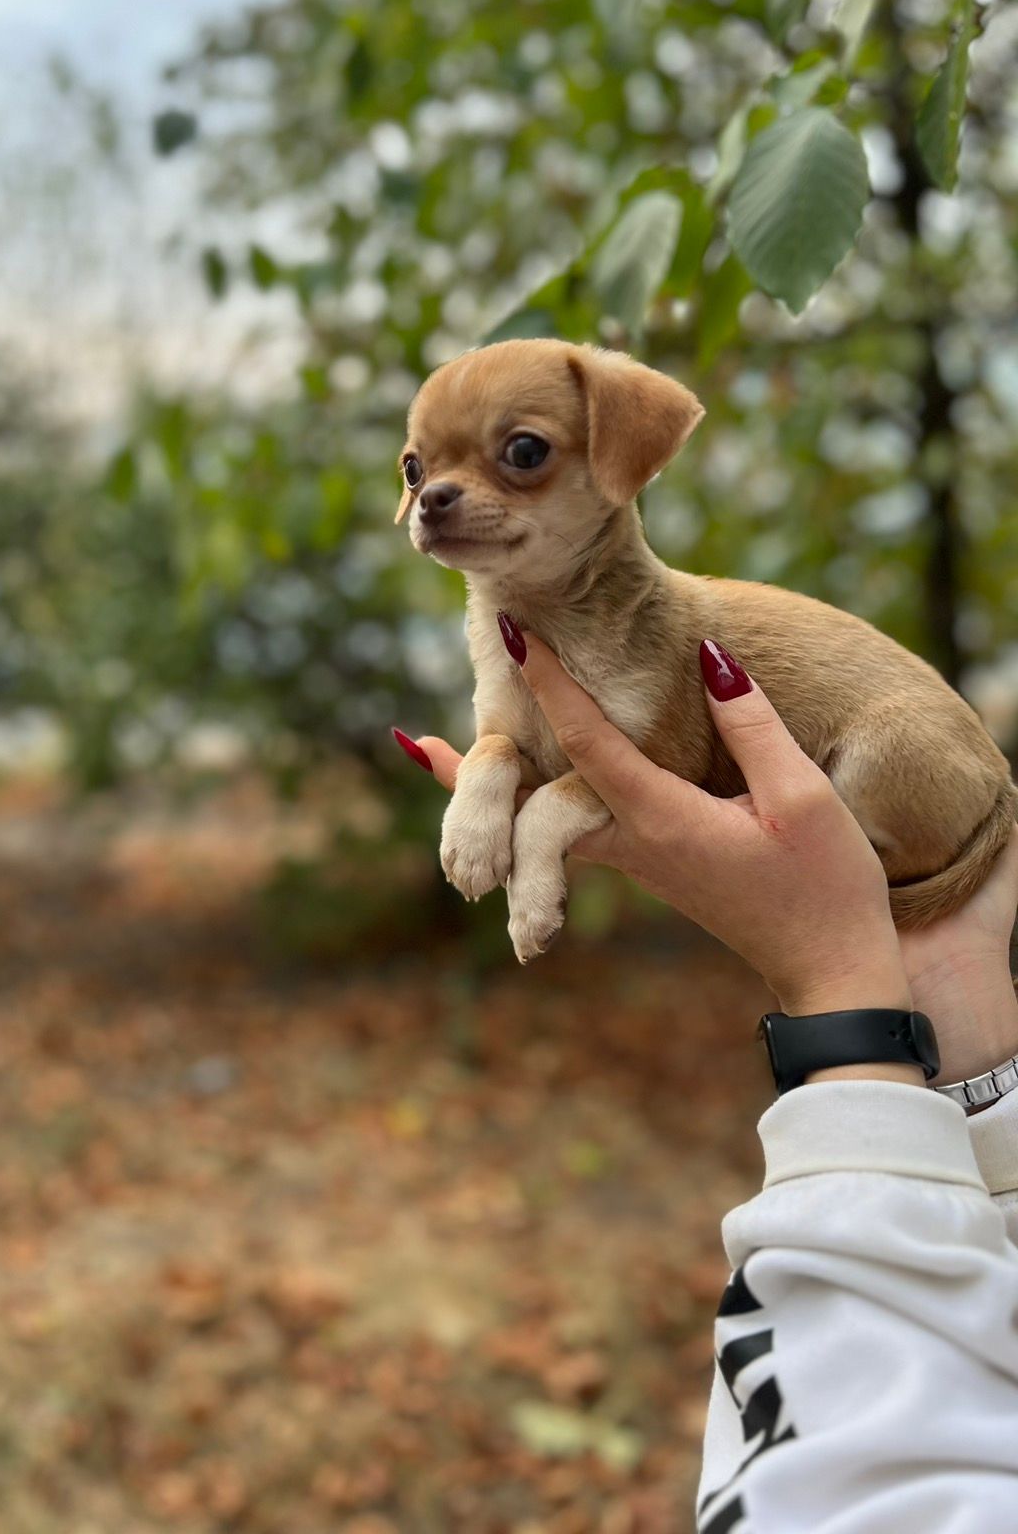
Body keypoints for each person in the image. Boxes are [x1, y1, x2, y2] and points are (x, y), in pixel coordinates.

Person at [395, 630, 1018, 1532]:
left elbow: (865, 1452)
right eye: (417, 474)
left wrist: (839, 979)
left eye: (526, 471)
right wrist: (953, 1005)